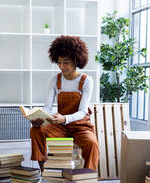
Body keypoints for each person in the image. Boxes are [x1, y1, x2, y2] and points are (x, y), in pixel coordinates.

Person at [30, 35, 100, 172]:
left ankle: (87, 177)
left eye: (66, 62)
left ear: (76, 60)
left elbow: (83, 111)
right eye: (59, 62)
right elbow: (48, 107)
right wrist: (41, 119)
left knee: (92, 143)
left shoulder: (86, 80)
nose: (61, 66)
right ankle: (43, 172)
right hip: (60, 126)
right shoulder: (54, 80)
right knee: (36, 130)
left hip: (81, 126)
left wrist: (65, 118)